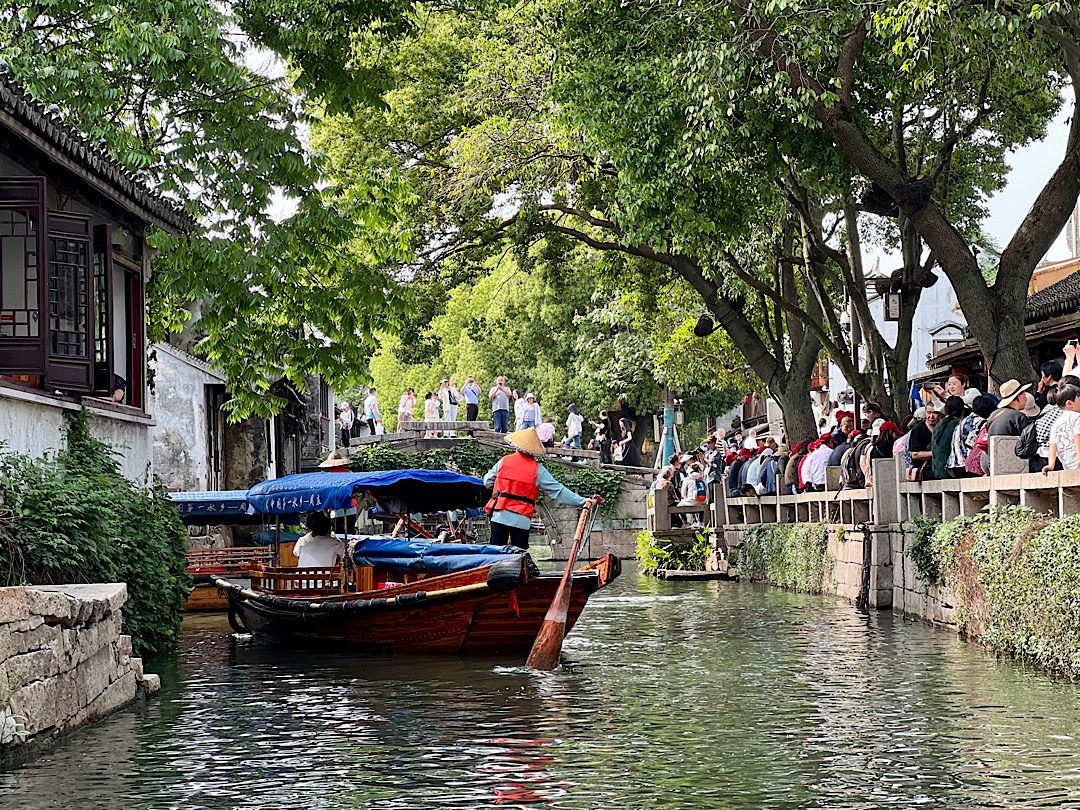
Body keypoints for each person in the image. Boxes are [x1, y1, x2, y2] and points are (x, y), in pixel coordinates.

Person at [483, 428, 595, 549]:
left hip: (500, 515)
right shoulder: (538, 470)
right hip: (521, 519)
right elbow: (558, 491)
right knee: (520, 557)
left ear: (517, 446)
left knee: (494, 553)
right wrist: (583, 501)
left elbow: (487, 482)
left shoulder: (503, 461)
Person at [1043, 382, 1080, 473]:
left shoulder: (1055, 424)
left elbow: (1053, 445)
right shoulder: (1076, 417)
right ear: (1070, 403)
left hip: (1068, 467)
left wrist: (1051, 464)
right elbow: (1078, 437)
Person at [931, 396, 964, 479]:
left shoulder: (938, 425)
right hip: (950, 471)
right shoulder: (958, 424)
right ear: (962, 410)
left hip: (937, 471)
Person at [908, 405, 939, 479]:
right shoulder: (918, 430)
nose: (931, 416)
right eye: (929, 412)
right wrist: (936, 453)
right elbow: (915, 454)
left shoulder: (943, 428)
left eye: (935, 413)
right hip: (924, 471)